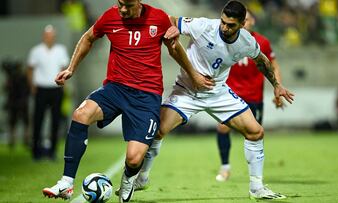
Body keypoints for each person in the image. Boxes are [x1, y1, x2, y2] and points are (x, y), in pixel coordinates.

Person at [42, 0, 214, 202]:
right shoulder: (110, 16)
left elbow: (175, 49)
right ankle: (66, 183)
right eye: (120, 4)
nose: (122, 9)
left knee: (133, 159)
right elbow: (88, 37)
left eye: (128, 6)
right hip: (115, 88)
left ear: (139, 2)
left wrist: (194, 75)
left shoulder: (158, 18)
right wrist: (71, 68)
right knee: (81, 114)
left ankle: (128, 181)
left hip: (146, 96)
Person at [132, 0, 294, 200]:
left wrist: (276, 85)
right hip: (187, 91)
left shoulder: (247, 41)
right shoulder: (204, 26)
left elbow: (262, 61)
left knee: (255, 132)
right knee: (158, 130)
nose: (225, 27)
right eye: (223, 22)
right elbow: (172, 20)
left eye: (231, 25)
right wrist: (172, 29)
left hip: (218, 93)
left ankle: (256, 188)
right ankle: (143, 178)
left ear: (242, 24)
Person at [215, 10, 285, 182]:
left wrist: (278, 88)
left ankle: (255, 175)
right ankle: (225, 168)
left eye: (247, 19)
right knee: (222, 128)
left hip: (254, 96)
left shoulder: (262, 42)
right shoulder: (224, 39)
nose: (245, 22)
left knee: (255, 133)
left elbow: (273, 66)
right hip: (230, 94)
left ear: (252, 21)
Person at [27, 25, 69, 160]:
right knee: (38, 120)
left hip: (56, 89)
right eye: (47, 36)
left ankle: (52, 151)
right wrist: (32, 85)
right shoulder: (36, 51)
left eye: (52, 36)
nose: (50, 38)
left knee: (55, 121)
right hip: (41, 89)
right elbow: (30, 69)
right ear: (44, 37)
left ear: (54, 37)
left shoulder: (60, 50)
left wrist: (64, 84)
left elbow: (64, 68)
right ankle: (36, 151)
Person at [2, 58, 31, 149]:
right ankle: (24, 140)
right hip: (22, 102)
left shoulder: (12, 78)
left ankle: (13, 140)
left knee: (14, 123)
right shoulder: (23, 77)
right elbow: (28, 90)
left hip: (15, 103)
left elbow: (6, 89)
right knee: (24, 122)